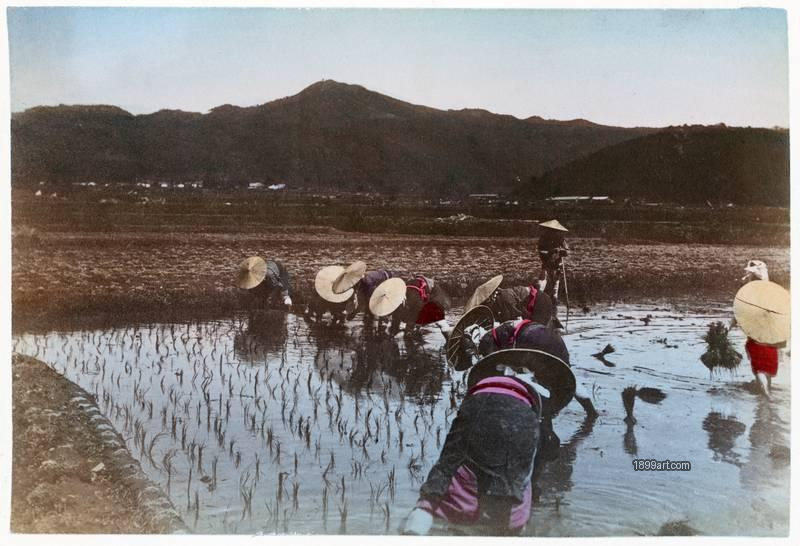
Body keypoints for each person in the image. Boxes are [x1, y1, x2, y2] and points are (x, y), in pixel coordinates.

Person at [403, 351, 553, 536]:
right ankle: (507, 527)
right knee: (514, 476)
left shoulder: (490, 379)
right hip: (520, 417)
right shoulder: (537, 392)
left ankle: (421, 516)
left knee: (450, 463)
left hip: (477, 404)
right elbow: (537, 457)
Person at [731, 260, 789, 398]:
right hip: (772, 334)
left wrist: (730, 325)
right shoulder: (773, 291)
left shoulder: (753, 291)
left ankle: (766, 396)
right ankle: (765, 389)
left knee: (759, 368)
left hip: (757, 334)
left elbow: (742, 310)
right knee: (767, 366)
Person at [536, 220, 569, 305]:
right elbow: (540, 251)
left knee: (556, 282)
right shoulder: (543, 239)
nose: (554, 232)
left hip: (557, 264)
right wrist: (551, 251)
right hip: (547, 262)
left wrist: (563, 251)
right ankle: (538, 299)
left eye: (555, 231)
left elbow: (567, 251)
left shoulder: (561, 239)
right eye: (552, 230)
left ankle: (554, 300)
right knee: (542, 281)